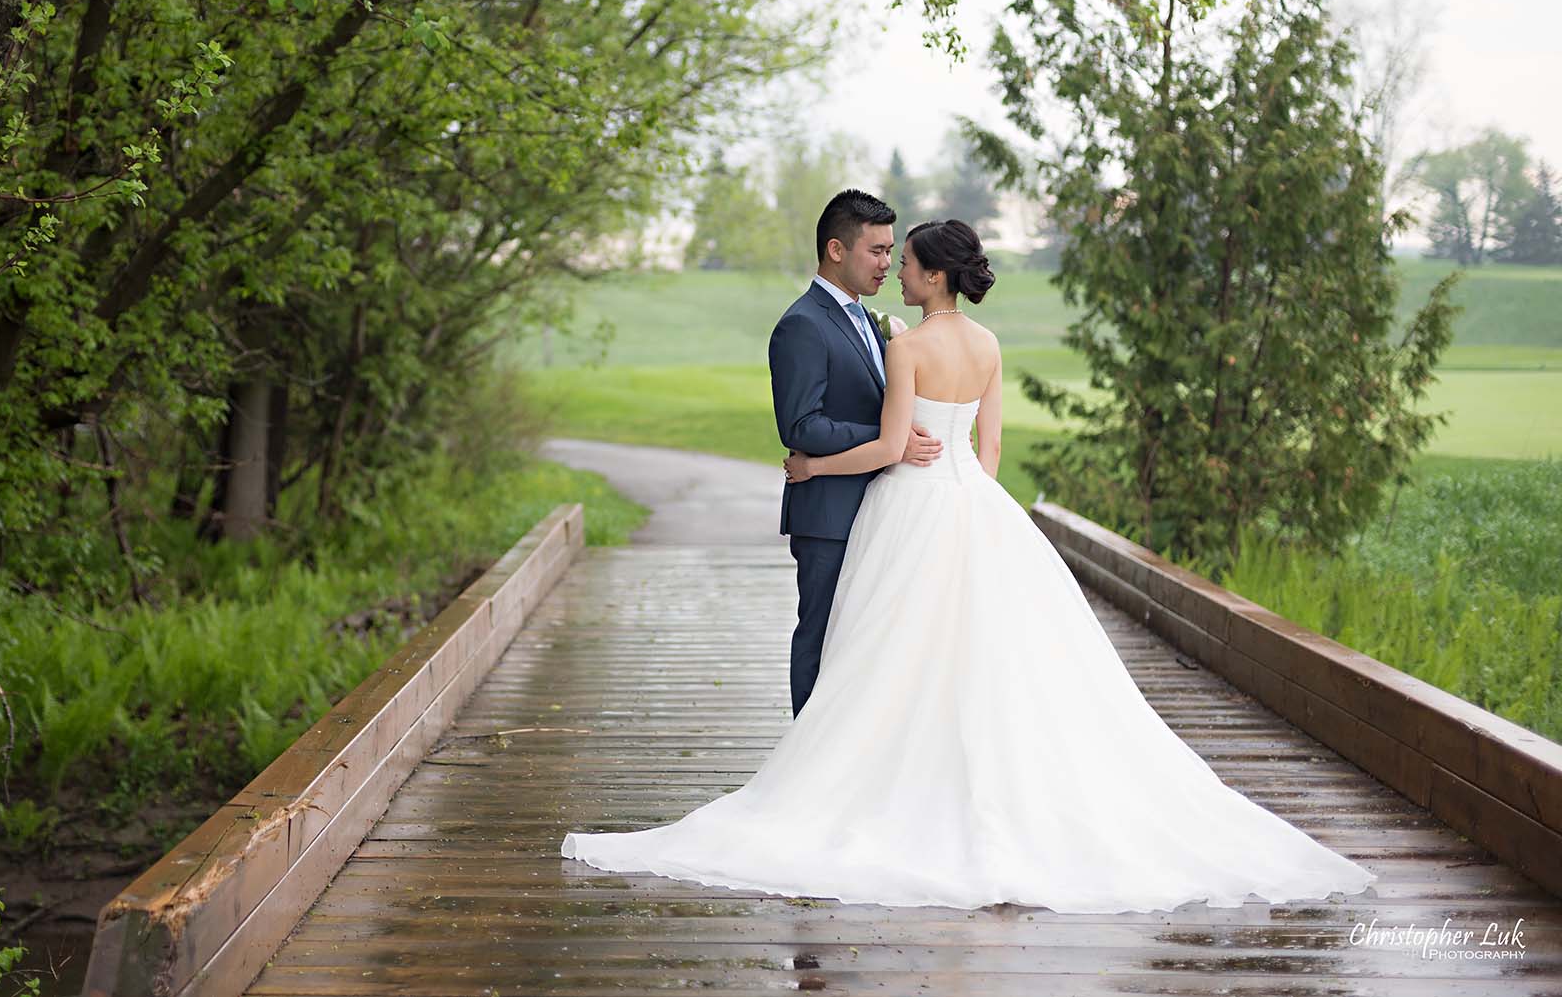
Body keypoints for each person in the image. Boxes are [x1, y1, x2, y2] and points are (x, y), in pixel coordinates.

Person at [560, 218, 1378, 913]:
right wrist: (968, 507)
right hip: (976, 510)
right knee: (983, 658)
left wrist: (808, 468)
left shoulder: (910, 346)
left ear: (934, 273)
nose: (899, 272)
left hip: (910, 505)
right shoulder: (986, 345)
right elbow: (989, 456)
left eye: (908, 262)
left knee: (889, 652)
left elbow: (887, 447)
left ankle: (876, 783)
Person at [763, 189, 943, 718]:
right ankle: (804, 762)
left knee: (866, 643)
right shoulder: (802, 324)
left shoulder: (868, 319)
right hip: (829, 514)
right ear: (836, 250)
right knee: (821, 634)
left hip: (881, 508)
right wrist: (888, 440)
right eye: (877, 251)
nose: (889, 263)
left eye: (892, 251)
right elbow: (800, 425)